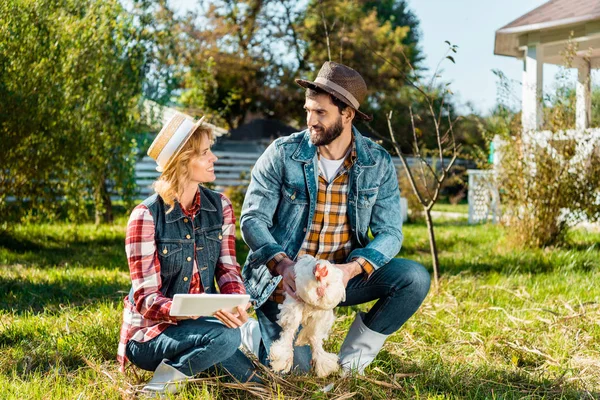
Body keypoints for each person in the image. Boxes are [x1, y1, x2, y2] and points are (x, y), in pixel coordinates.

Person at [240, 61, 431, 375]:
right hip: (284, 284)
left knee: (414, 278)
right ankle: (251, 334)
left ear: (347, 114)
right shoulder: (282, 154)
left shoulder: (377, 162)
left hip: (338, 279)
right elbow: (252, 219)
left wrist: (349, 270)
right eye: (308, 111)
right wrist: (283, 264)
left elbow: (390, 232)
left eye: (320, 113)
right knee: (296, 375)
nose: (310, 120)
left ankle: (353, 361)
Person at [117, 112, 259, 394]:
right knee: (228, 338)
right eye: (205, 152)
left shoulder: (220, 206)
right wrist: (187, 311)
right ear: (183, 161)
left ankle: (193, 363)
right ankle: (158, 390)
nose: (213, 158)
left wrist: (235, 302)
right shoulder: (145, 216)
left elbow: (228, 269)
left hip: (204, 325)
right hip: (149, 335)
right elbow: (146, 300)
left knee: (254, 383)